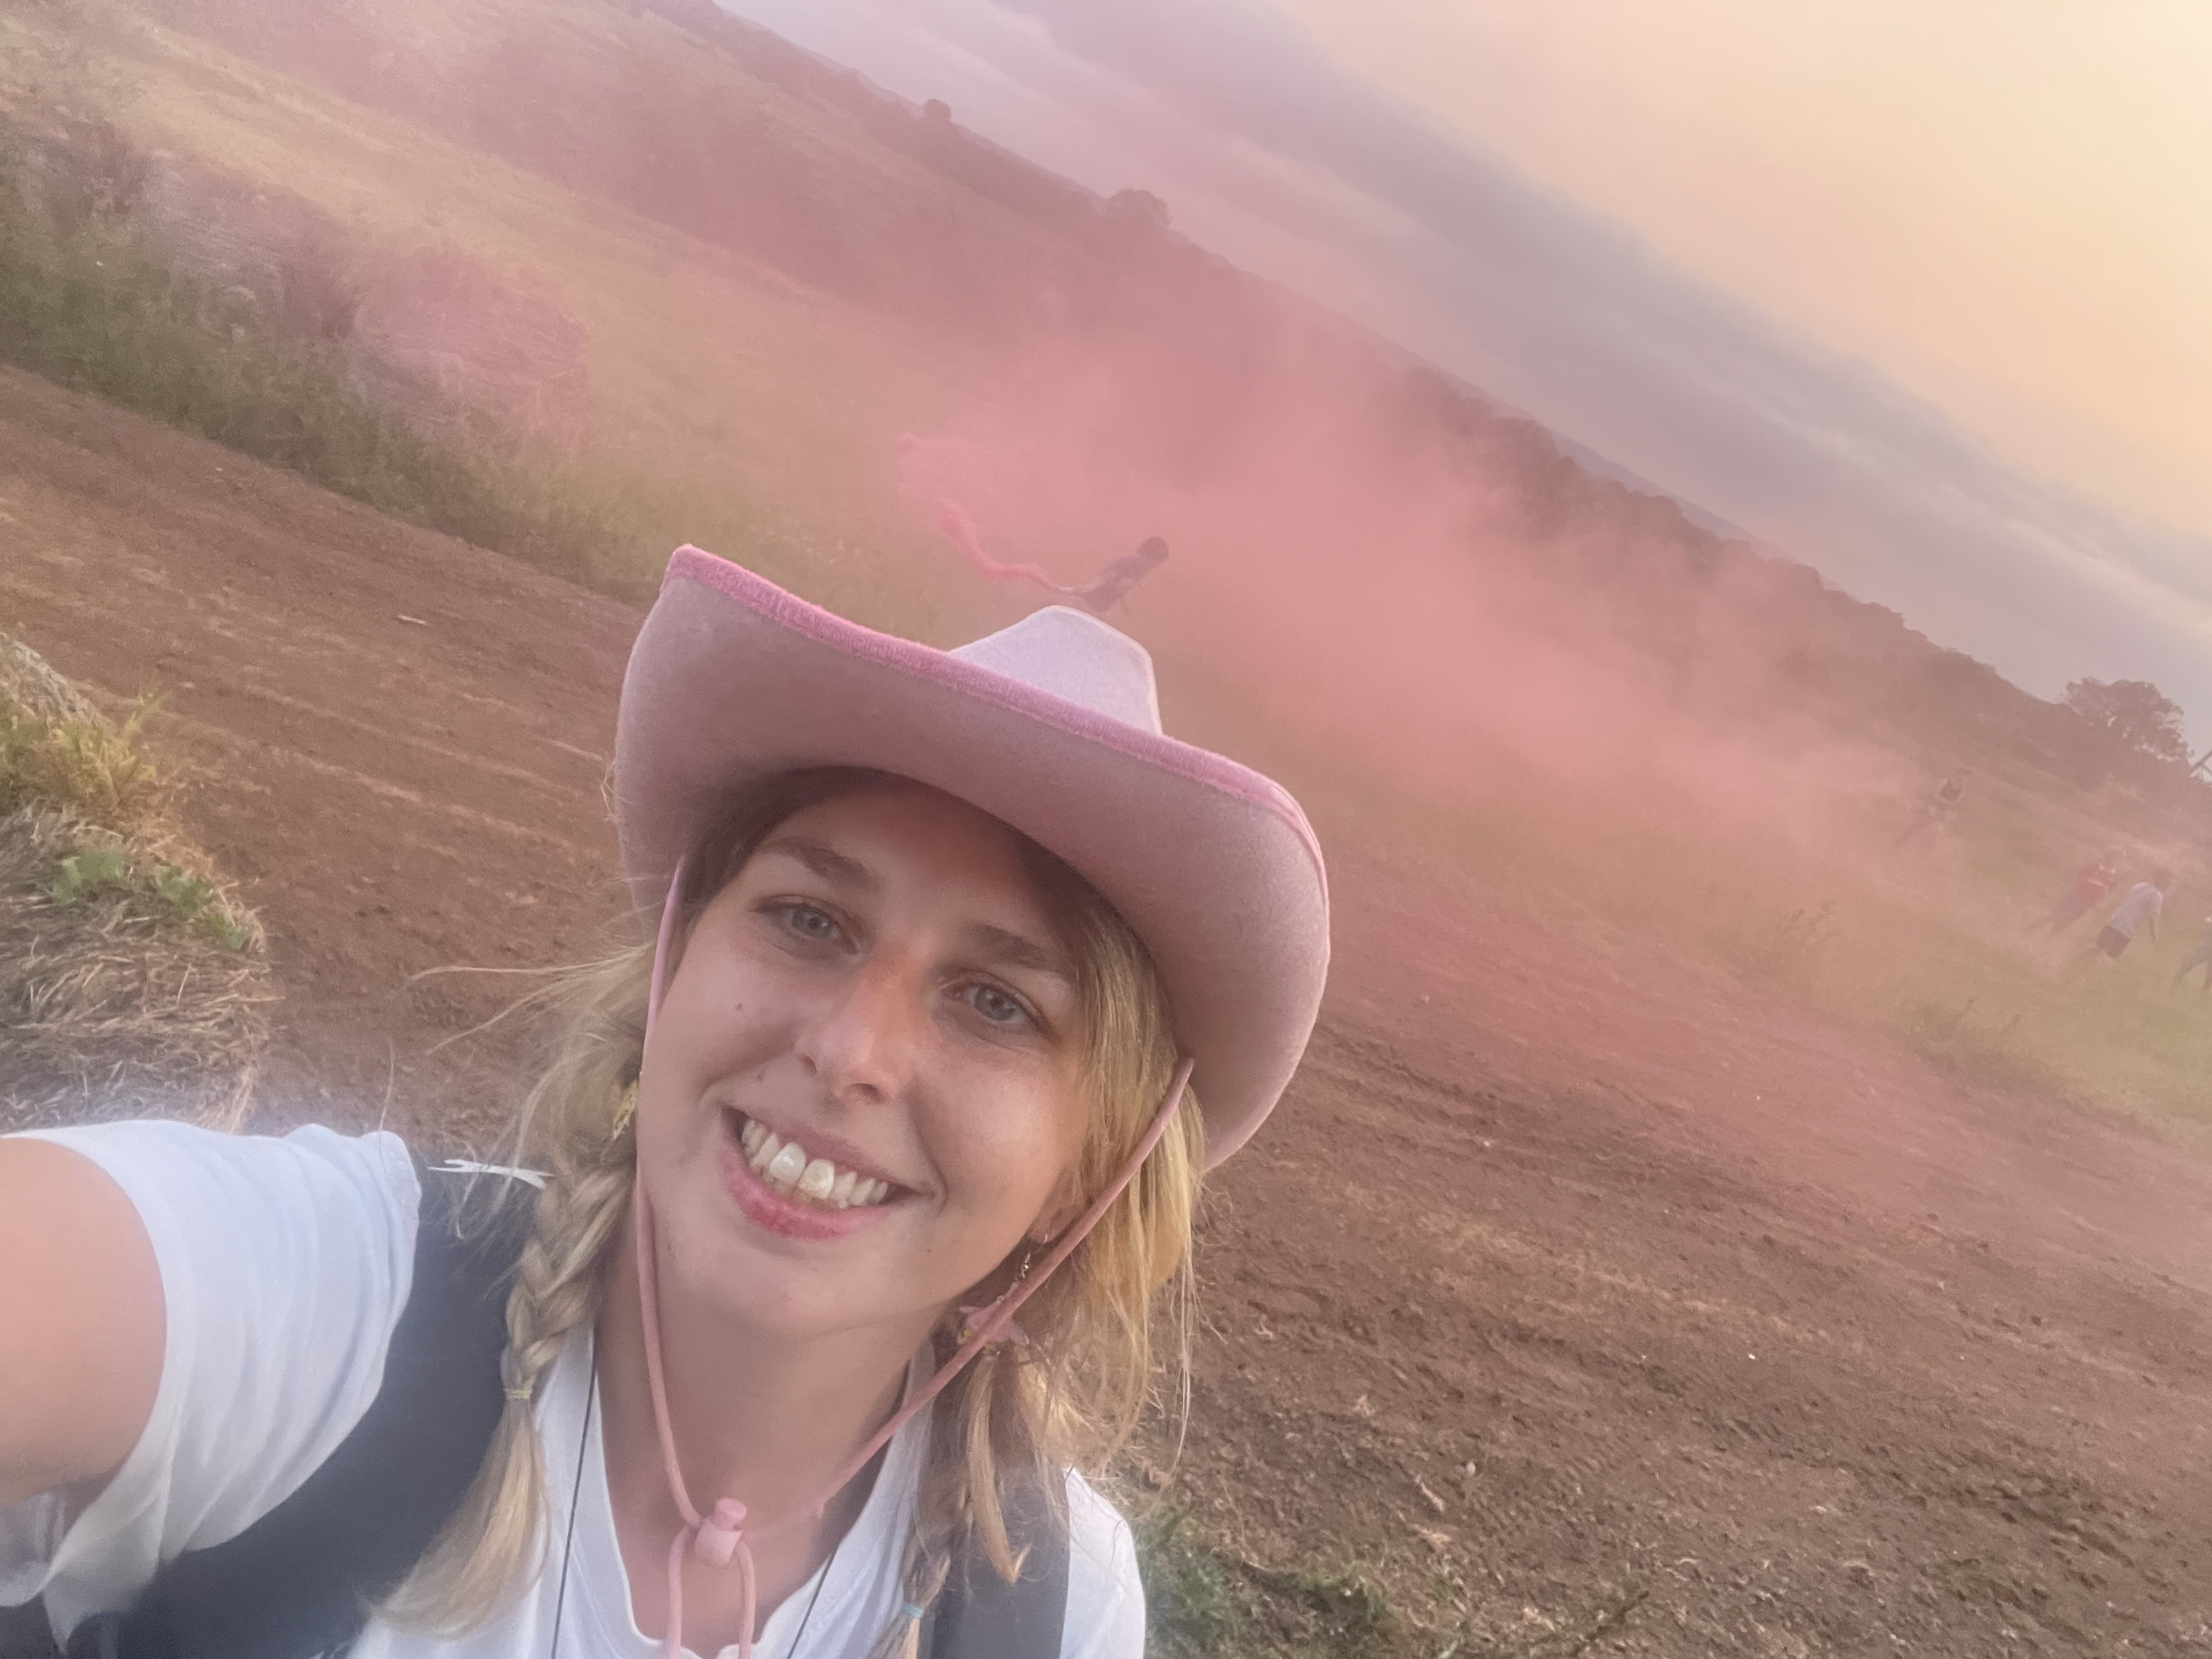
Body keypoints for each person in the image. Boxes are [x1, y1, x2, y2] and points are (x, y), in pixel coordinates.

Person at [0, 546, 1331, 1659]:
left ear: (1093, 1163)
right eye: (808, 919)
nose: (849, 1053)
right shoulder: (330, 1311)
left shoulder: (1054, 1607)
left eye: (995, 1003)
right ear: (675, 966)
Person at [2081, 868, 2169, 967]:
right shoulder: (2157, 896)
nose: (2168, 884)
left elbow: (2126, 898)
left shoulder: (2141, 885)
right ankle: (2091, 971)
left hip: (2116, 920)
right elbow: (2153, 918)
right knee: (2111, 957)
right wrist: (2155, 937)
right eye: (2167, 881)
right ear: (2161, 879)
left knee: (2098, 947)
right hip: (2126, 929)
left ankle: (2079, 961)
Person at [2038, 849, 2121, 934]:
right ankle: (2034, 929)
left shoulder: (2114, 875)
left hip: (2088, 901)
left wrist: (2098, 901)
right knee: (2055, 915)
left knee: (2067, 921)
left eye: (2117, 858)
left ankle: (2050, 938)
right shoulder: (2096, 866)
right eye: (2114, 857)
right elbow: (2081, 877)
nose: (2115, 860)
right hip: (2077, 894)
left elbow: (2110, 890)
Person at [1893, 768, 1971, 850]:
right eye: (1962, 775)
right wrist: (1946, 803)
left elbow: (1957, 802)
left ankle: (1924, 851)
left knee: (1936, 834)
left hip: (1943, 814)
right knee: (1917, 826)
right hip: (1932, 808)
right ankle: (1899, 843)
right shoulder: (1945, 782)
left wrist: (1948, 810)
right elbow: (1935, 795)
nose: (1963, 778)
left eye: (1965, 777)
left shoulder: (1962, 789)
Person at [2170, 910, 2212, 992]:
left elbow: (2208, 923)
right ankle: (2172, 988)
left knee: (2209, 976)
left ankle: (2172, 989)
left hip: (2206, 947)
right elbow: (2208, 923)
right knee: (2187, 964)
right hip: (2206, 947)